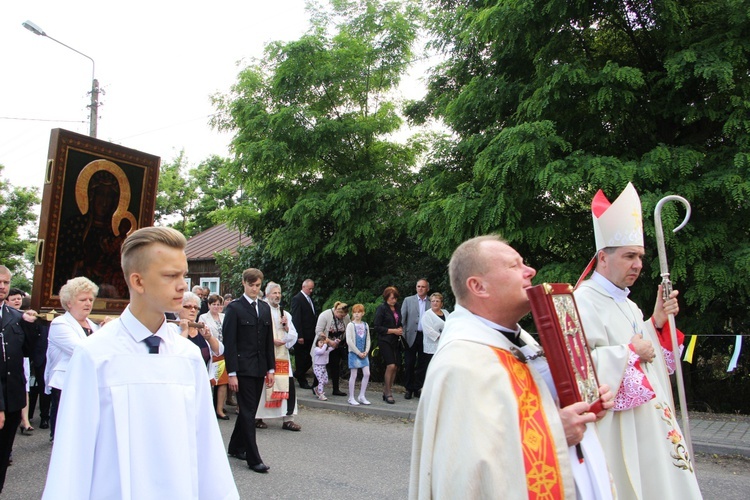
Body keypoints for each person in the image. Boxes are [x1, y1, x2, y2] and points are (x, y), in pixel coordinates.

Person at [409, 235, 615, 499]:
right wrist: (555, 431)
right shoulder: (461, 362)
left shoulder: (520, 339)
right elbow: (466, 473)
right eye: (514, 266)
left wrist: (583, 406)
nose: (531, 271)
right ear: (478, 286)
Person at [42, 227, 238, 499]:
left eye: (183, 274)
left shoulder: (188, 356)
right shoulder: (95, 355)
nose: (183, 285)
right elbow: (72, 457)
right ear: (138, 281)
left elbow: (207, 445)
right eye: (171, 275)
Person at [574, 182, 702, 500]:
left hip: (649, 428)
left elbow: (644, 352)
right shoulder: (582, 301)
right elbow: (578, 369)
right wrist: (628, 353)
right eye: (630, 256)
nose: (638, 265)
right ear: (603, 258)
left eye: (641, 257)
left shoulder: (629, 304)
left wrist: (656, 322)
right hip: (616, 432)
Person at [224, 268, 275, 474]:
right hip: (242, 368)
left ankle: (235, 447)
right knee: (247, 412)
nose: (255, 289)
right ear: (244, 284)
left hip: (259, 367)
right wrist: (232, 373)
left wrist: (270, 368)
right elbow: (230, 343)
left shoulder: (264, 308)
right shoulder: (235, 309)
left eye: (258, 286)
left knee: (250, 410)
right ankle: (253, 458)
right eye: (252, 285)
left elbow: (268, 342)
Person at [45, 277, 101, 441]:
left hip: (89, 385)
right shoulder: (59, 324)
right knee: (66, 437)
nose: (88, 303)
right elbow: (83, 351)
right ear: (69, 303)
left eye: (91, 299)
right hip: (65, 385)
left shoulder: (94, 325)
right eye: (83, 299)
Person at [0, 266, 38, 494]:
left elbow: (28, 352)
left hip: (13, 400)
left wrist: (32, 328)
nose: (2, 286)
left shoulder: (16, 317)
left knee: (3, 457)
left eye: (5, 282)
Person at [255, 282, 301, 432]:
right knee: (264, 386)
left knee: (287, 385)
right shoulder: (261, 311)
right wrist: (270, 341)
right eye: (274, 293)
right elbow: (256, 333)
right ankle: (258, 416)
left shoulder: (285, 314)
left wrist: (286, 327)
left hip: (282, 355)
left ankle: (288, 418)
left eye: (279, 293)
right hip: (266, 354)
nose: (277, 296)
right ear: (267, 295)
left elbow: (294, 335)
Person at [175, 292, 224, 377]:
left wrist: (209, 337)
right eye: (188, 307)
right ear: (178, 308)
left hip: (201, 381)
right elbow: (176, 353)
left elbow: (219, 351)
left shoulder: (201, 328)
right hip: (180, 380)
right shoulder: (172, 328)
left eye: (196, 307)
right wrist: (185, 331)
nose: (193, 310)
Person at [5, 289, 33, 436]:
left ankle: (25, 420)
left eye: (18, 298)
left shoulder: (22, 317)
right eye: (13, 299)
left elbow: (28, 349)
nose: (17, 301)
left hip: (18, 366)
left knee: (24, 387)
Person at [199, 294, 229, 419]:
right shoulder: (203, 317)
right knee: (209, 381)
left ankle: (220, 409)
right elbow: (203, 333)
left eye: (219, 304)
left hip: (223, 351)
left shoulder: (225, 316)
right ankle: (207, 407)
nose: (217, 307)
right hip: (210, 351)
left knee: (222, 381)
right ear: (209, 305)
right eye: (214, 304)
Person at [312, 301, 351, 396]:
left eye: (345, 315)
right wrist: (329, 342)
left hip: (337, 344)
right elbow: (318, 331)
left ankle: (336, 389)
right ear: (337, 312)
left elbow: (348, 328)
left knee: (335, 365)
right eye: (341, 315)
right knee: (320, 366)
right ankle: (315, 386)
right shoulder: (325, 315)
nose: (343, 317)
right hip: (324, 343)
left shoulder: (346, 317)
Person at [372, 287, 403, 404]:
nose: (393, 300)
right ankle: (388, 391)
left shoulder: (397, 307)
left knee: (396, 366)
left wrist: (400, 328)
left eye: (395, 298)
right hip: (385, 340)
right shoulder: (382, 308)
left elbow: (398, 322)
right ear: (386, 298)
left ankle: (387, 391)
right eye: (391, 298)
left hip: (395, 340)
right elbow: (377, 327)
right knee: (390, 365)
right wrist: (393, 331)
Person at [401, 279, 430, 399]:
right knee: (409, 363)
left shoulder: (431, 301)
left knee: (423, 364)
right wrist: (402, 335)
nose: (420, 288)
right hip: (411, 336)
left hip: (426, 336)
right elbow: (403, 318)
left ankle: (418, 387)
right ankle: (408, 389)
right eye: (418, 286)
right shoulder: (408, 300)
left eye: (423, 287)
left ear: (427, 288)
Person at [291, 279, 317, 389]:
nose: (311, 291)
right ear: (303, 286)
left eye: (312, 288)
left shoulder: (309, 299)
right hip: (302, 334)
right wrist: (299, 335)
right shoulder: (297, 299)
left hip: (311, 333)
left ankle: (298, 373)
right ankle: (302, 380)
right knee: (301, 358)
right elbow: (296, 318)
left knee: (310, 357)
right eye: (309, 288)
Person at [345, 304, 371, 406]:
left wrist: (366, 351)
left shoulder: (365, 325)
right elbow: (349, 341)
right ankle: (351, 397)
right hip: (354, 353)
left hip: (364, 353)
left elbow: (368, 339)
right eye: (355, 312)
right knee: (354, 374)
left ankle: (362, 395)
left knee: (367, 373)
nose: (357, 314)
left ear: (363, 313)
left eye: (359, 312)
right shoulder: (351, 325)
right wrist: (358, 352)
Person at [420, 292, 449, 375]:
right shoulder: (427, 315)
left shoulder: (446, 312)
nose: (435, 303)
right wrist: (440, 336)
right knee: (432, 368)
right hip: (433, 345)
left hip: (444, 344)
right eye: (433, 301)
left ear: (441, 303)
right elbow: (428, 330)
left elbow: (450, 324)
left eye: (437, 301)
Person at [312, 336, 334, 401]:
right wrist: (325, 344)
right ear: (317, 343)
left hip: (323, 367)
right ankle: (321, 394)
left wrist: (335, 342)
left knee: (325, 381)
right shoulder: (317, 349)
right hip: (317, 367)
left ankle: (317, 389)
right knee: (321, 381)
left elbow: (332, 348)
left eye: (323, 342)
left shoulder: (325, 350)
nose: (322, 344)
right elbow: (321, 352)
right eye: (320, 342)